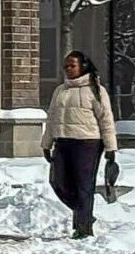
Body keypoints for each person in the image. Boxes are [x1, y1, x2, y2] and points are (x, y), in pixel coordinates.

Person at [42, 49, 118, 239]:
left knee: (84, 186)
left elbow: (106, 120)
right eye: (66, 66)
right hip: (63, 142)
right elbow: (52, 119)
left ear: (83, 66)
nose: (68, 69)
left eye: (72, 65)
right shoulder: (60, 91)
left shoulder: (96, 90)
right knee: (57, 181)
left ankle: (83, 227)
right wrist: (46, 143)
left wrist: (111, 148)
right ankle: (84, 213)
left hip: (88, 144)